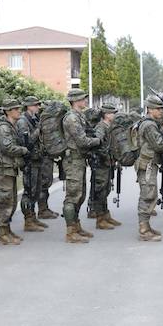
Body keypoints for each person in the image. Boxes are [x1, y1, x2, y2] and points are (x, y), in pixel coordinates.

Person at [61, 89, 109, 243]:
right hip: (73, 161)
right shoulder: (72, 118)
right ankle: (70, 232)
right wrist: (98, 140)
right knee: (72, 196)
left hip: (79, 160)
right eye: (83, 98)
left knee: (80, 196)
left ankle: (76, 226)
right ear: (75, 101)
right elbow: (82, 141)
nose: (86, 100)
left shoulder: (79, 116)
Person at [135, 95, 163, 242]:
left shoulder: (151, 123)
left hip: (149, 163)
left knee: (150, 193)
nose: (161, 111)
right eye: (158, 109)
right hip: (147, 164)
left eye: (162, 109)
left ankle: (146, 225)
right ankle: (143, 229)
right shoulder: (149, 125)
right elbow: (159, 145)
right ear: (150, 109)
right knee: (148, 194)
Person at [0, 99, 30, 245]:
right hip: (3, 170)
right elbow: (7, 147)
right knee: (4, 202)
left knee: (11, 201)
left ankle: (7, 230)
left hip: (10, 169)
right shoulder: (3, 128)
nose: (18, 111)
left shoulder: (10, 126)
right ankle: (2, 233)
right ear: (8, 111)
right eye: (15, 109)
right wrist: (23, 150)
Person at [87, 103, 120, 230]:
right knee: (100, 190)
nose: (114, 115)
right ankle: (100, 219)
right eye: (112, 113)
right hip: (100, 163)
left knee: (106, 189)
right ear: (106, 114)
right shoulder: (101, 127)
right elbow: (97, 145)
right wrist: (105, 156)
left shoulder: (108, 126)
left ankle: (106, 215)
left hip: (107, 163)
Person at [17, 96, 47, 232]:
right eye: (36, 105)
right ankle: (28, 220)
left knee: (36, 190)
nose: (38, 107)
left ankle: (33, 217)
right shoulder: (23, 121)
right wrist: (38, 129)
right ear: (29, 106)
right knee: (29, 191)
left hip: (37, 159)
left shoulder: (34, 118)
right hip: (29, 161)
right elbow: (27, 141)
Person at [36, 100, 59, 220]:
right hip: (43, 157)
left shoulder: (45, 121)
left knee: (46, 183)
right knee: (43, 184)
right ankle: (42, 210)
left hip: (47, 156)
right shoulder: (42, 122)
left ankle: (44, 208)